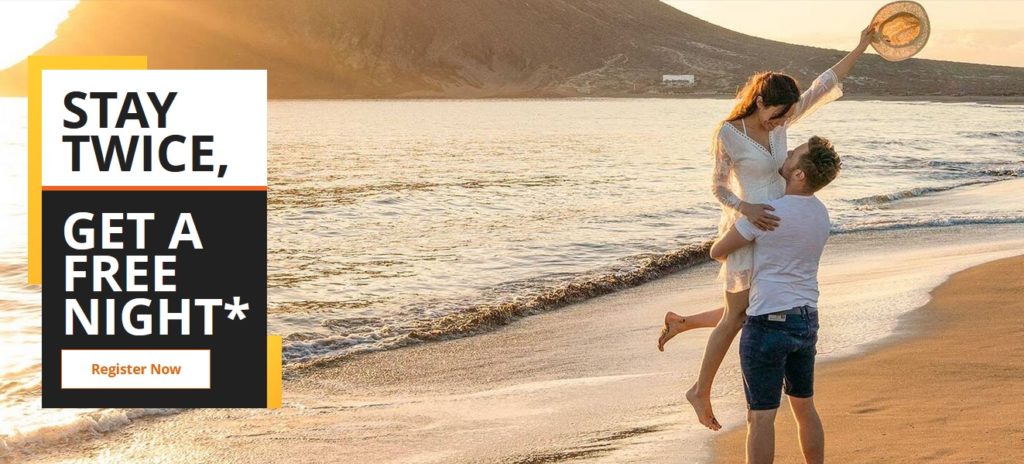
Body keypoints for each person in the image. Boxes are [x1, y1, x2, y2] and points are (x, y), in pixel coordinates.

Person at [656, 22, 876, 431]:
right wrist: (746, 206)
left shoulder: (785, 120)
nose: (780, 123)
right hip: (748, 224)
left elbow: (825, 84)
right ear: (759, 101)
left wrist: (862, 45)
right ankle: (699, 391)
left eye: (786, 116)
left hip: (778, 225)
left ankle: (681, 324)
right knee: (739, 316)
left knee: (755, 310)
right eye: (776, 114)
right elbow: (717, 187)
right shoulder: (729, 133)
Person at [709, 135, 840, 464]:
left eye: (794, 153)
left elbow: (717, 251)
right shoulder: (822, 215)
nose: (788, 152)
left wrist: (744, 215)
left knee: (761, 417)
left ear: (798, 174)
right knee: (804, 407)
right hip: (806, 318)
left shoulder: (768, 212)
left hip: (768, 321)